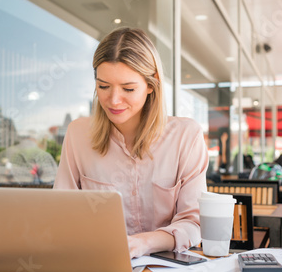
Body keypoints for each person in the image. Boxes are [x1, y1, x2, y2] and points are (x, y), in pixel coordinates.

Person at [54, 27, 208, 258]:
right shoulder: (78, 134)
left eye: (128, 88)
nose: (114, 100)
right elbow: (60, 214)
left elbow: (194, 223)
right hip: (95, 264)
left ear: (151, 84)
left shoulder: (186, 137)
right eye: (103, 86)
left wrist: (143, 243)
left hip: (166, 271)